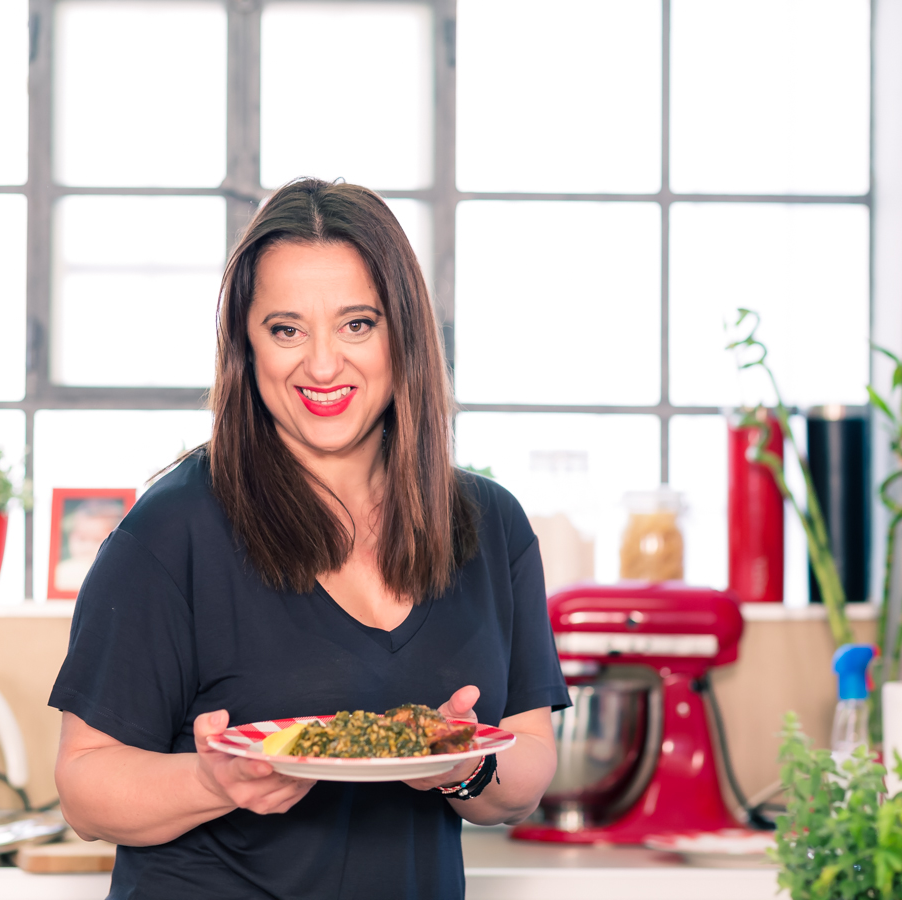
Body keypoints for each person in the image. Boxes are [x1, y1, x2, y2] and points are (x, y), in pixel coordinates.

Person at [50, 178, 569, 900]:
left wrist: (463, 763)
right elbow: (84, 785)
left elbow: (528, 763)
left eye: (357, 324)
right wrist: (212, 781)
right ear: (247, 345)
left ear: (404, 333)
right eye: (286, 329)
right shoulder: (171, 532)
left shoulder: (489, 526)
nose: (322, 365)